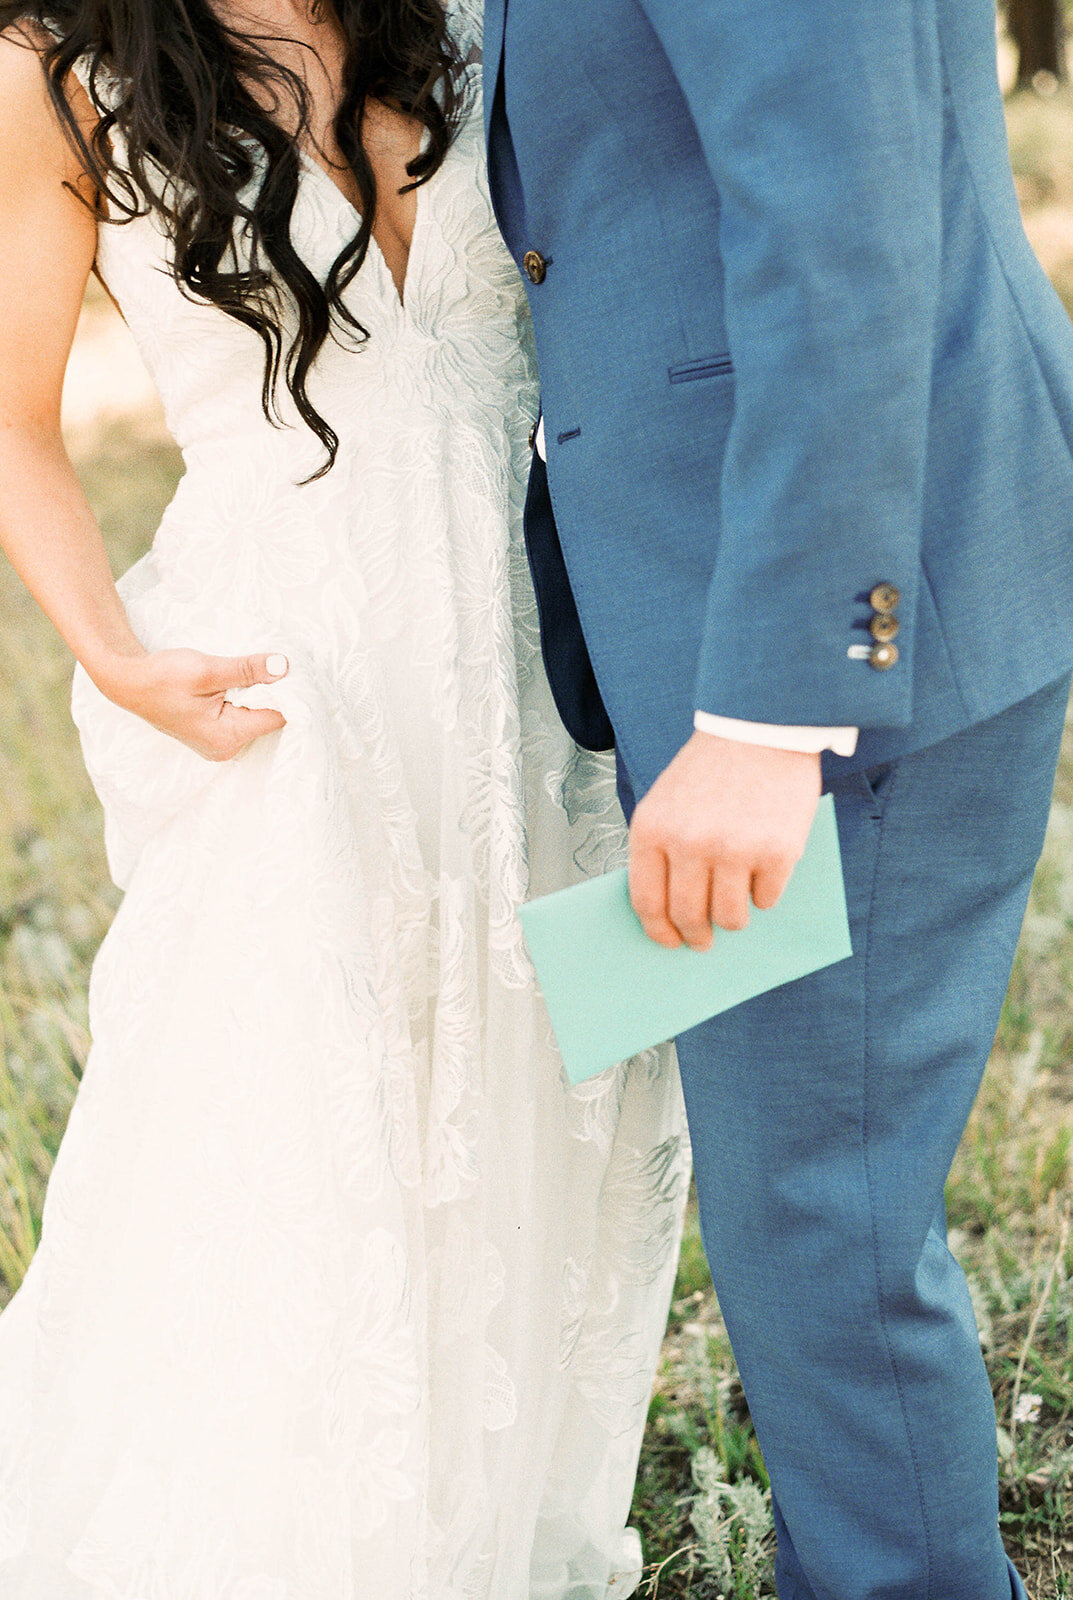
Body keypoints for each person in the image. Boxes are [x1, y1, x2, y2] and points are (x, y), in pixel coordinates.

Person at [0, 3, 689, 1594]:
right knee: (299, 1128)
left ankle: (479, 1527)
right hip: (281, 684)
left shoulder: (463, 15)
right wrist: (111, 657)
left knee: (540, 1097)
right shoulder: (61, 67)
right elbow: (16, 417)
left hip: (536, 667)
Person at [485, 2, 1073, 1597]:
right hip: (755, 582)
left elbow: (844, 228)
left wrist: (765, 713)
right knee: (799, 1211)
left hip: (843, 630)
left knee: (824, 1228)